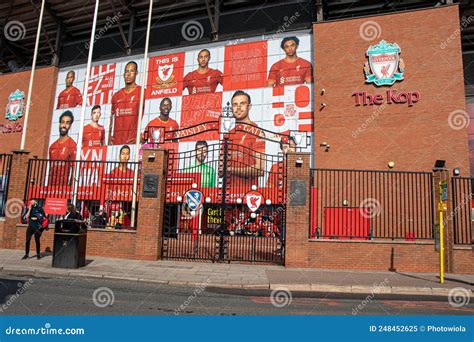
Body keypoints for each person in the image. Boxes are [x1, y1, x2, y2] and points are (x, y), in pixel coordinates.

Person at [222, 90, 265, 185]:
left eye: (242, 104)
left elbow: (260, 169)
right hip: (228, 193)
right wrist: (222, 169)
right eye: (235, 104)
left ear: (249, 107)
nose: (238, 107)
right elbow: (221, 170)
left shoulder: (257, 132)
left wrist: (231, 170)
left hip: (249, 193)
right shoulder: (227, 134)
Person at [109, 61, 142, 145]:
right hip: (116, 143)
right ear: (123, 74)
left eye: (131, 71)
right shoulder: (116, 96)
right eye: (126, 71)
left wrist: (141, 137)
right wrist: (109, 136)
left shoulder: (141, 92)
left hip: (132, 142)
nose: (128, 74)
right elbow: (111, 118)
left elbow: (145, 116)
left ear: (136, 73)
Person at [49, 110, 77, 186]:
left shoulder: (72, 144)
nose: (64, 125)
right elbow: (50, 168)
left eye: (67, 123)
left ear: (70, 126)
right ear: (59, 124)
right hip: (50, 188)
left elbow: (74, 168)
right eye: (62, 122)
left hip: (63, 189)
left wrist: (69, 187)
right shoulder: (52, 146)